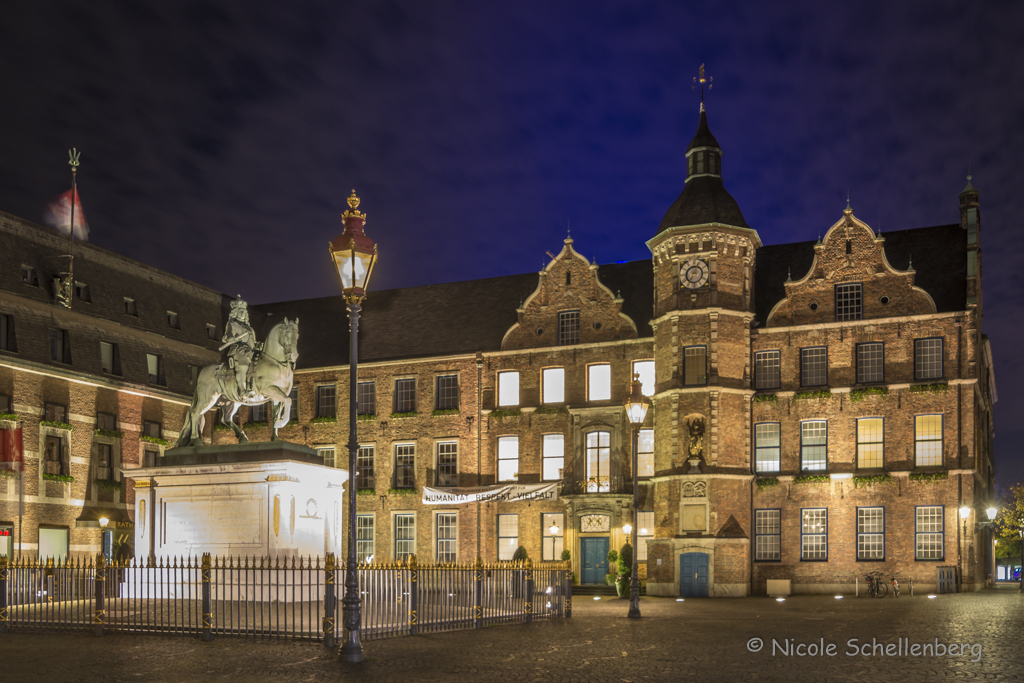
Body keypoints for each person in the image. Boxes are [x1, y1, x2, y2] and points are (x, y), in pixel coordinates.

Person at [220, 296, 257, 396]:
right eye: (240, 310)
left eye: (244, 311)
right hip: (238, 350)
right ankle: (242, 391)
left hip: (250, 351)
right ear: (235, 312)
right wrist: (230, 338)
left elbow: (253, 341)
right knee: (242, 366)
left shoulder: (249, 328)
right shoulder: (232, 323)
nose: (243, 312)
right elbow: (226, 336)